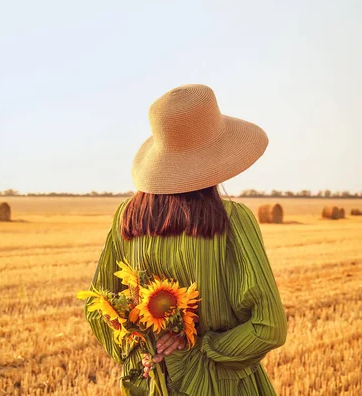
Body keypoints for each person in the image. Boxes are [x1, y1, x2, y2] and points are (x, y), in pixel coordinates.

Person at [83, 84, 287, 395]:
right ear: (219, 154)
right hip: (222, 386)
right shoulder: (232, 220)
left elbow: (98, 304)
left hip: (152, 383)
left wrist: (142, 350)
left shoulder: (126, 217)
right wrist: (203, 349)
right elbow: (268, 327)